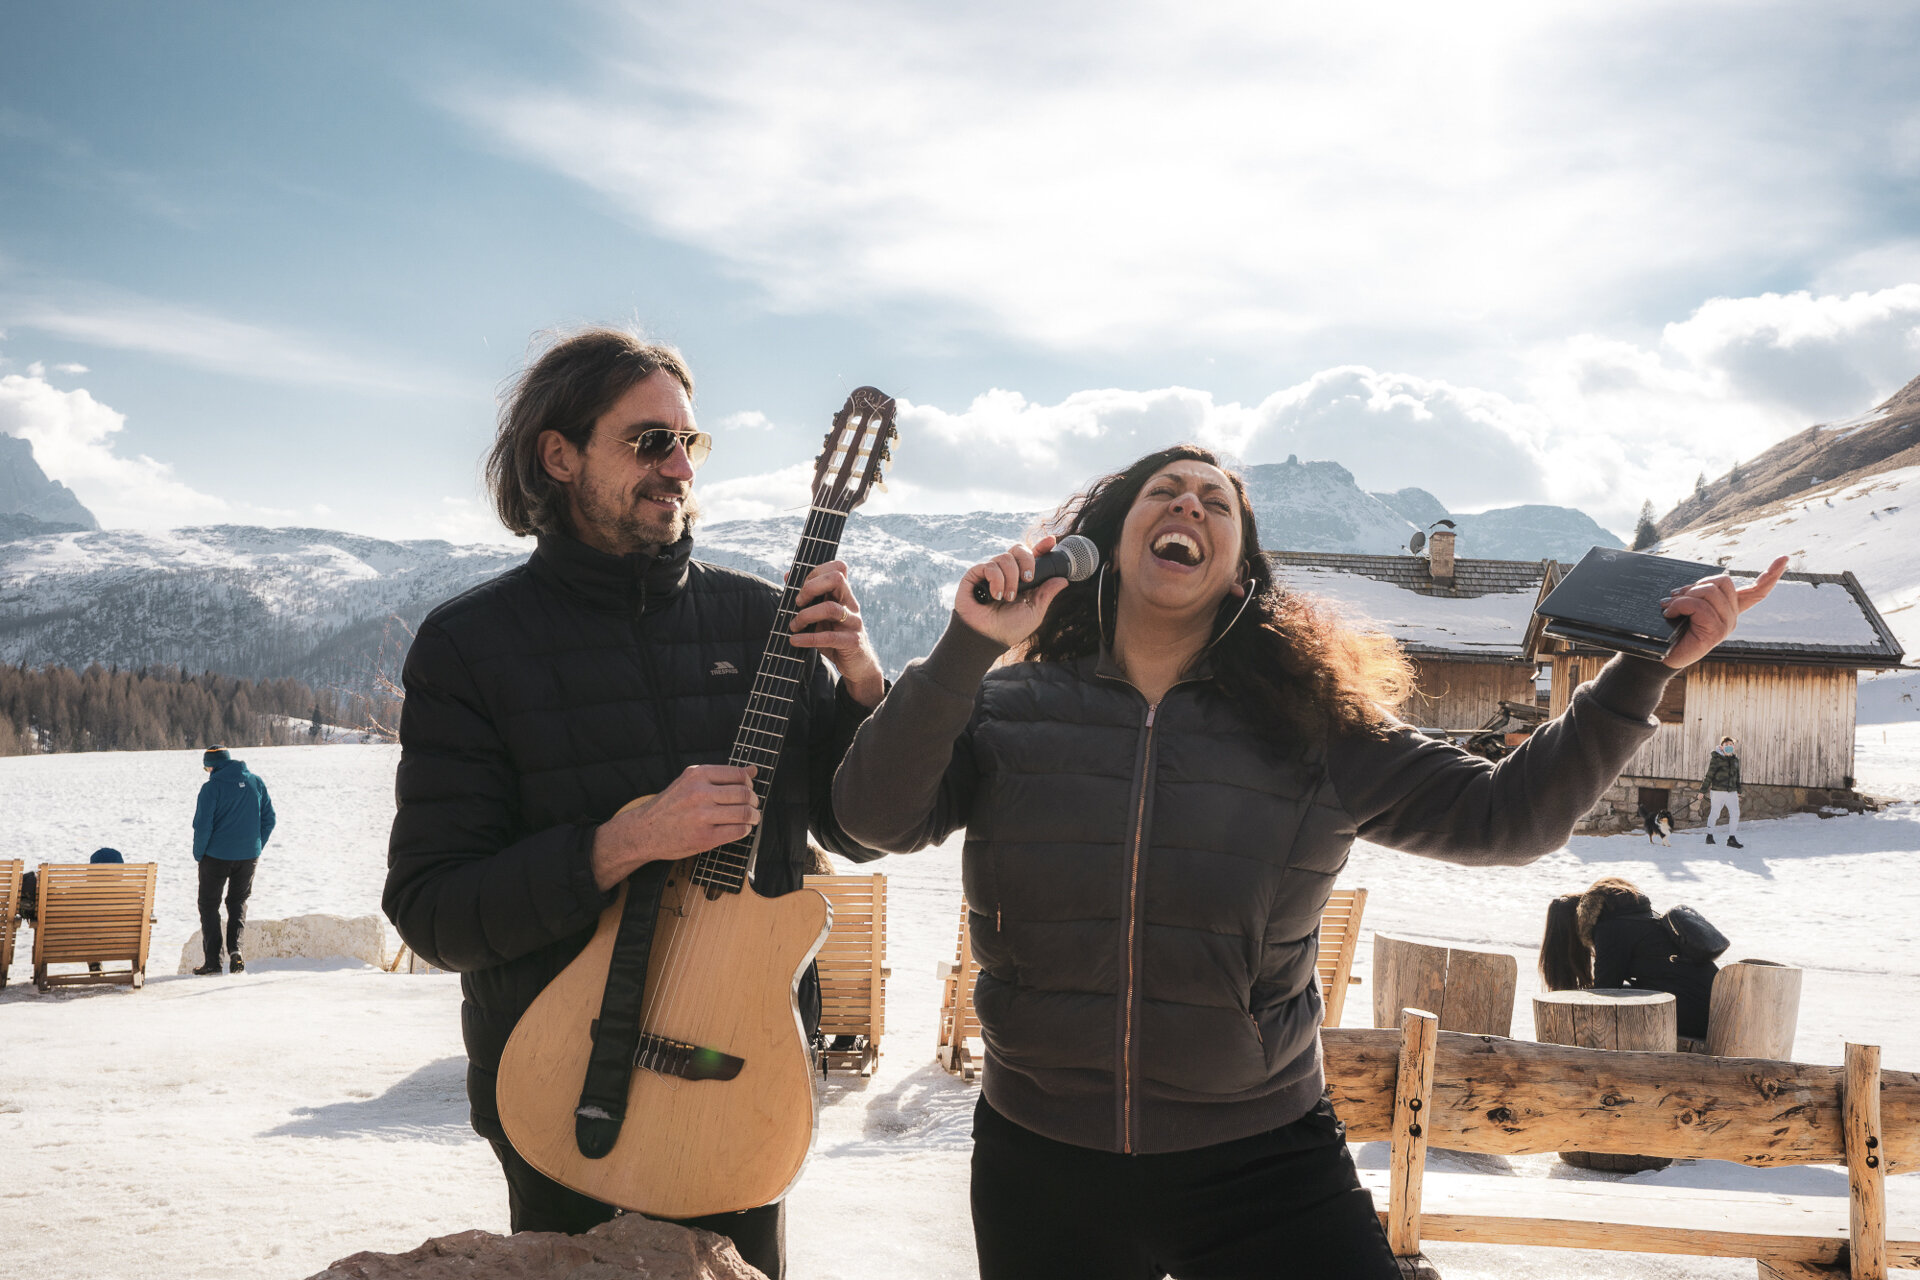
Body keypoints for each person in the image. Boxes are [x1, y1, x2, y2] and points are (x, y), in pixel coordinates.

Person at [832, 443, 1787, 1279]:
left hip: (1260, 1156)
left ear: (1241, 572)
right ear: (1110, 542)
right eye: (1165, 491)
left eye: (1216, 505)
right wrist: (966, 647)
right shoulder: (1007, 710)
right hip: (1042, 1158)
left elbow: (1511, 816)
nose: (1189, 507)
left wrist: (1642, 671)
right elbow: (872, 817)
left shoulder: (1314, 730)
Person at [382, 329, 886, 1277]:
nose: (677, 466)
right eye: (648, 440)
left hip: (739, 1072)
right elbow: (433, 911)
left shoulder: (758, 621)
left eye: (689, 443)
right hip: (561, 1081)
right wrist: (623, 842)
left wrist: (860, 678)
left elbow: (858, 827)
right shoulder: (470, 647)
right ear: (559, 455)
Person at [1539, 876, 1720, 1046]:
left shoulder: (1611, 928)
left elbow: (1605, 993)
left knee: (1604, 1004)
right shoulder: (1636, 917)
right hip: (1710, 1007)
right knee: (1623, 995)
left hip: (1698, 1016)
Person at [192, 746, 276, 976]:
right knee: (237, 902)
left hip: (216, 857)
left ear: (213, 765)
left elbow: (202, 826)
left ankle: (213, 962)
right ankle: (236, 951)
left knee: (209, 905)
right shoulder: (256, 782)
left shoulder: (211, 788)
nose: (206, 771)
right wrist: (256, 846)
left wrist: (199, 854)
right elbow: (269, 819)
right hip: (248, 857)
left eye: (206, 766)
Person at [1702, 734, 1743, 847]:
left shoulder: (1735, 760)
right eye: (1726, 744)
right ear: (1721, 747)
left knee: (1735, 813)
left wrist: (1739, 790)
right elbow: (1709, 776)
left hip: (1732, 792)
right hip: (1718, 791)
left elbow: (1737, 776)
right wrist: (1702, 791)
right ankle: (1709, 836)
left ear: (1734, 747)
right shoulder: (1716, 759)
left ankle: (1731, 838)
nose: (1729, 746)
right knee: (1715, 813)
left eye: (1731, 744)